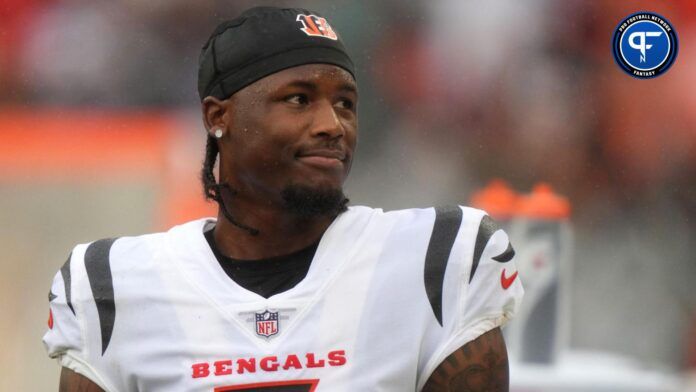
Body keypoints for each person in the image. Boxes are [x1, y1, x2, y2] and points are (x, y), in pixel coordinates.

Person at [44, 6, 523, 392]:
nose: (332, 125)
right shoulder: (113, 287)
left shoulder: (436, 259)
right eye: (299, 99)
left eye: (345, 104)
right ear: (219, 116)